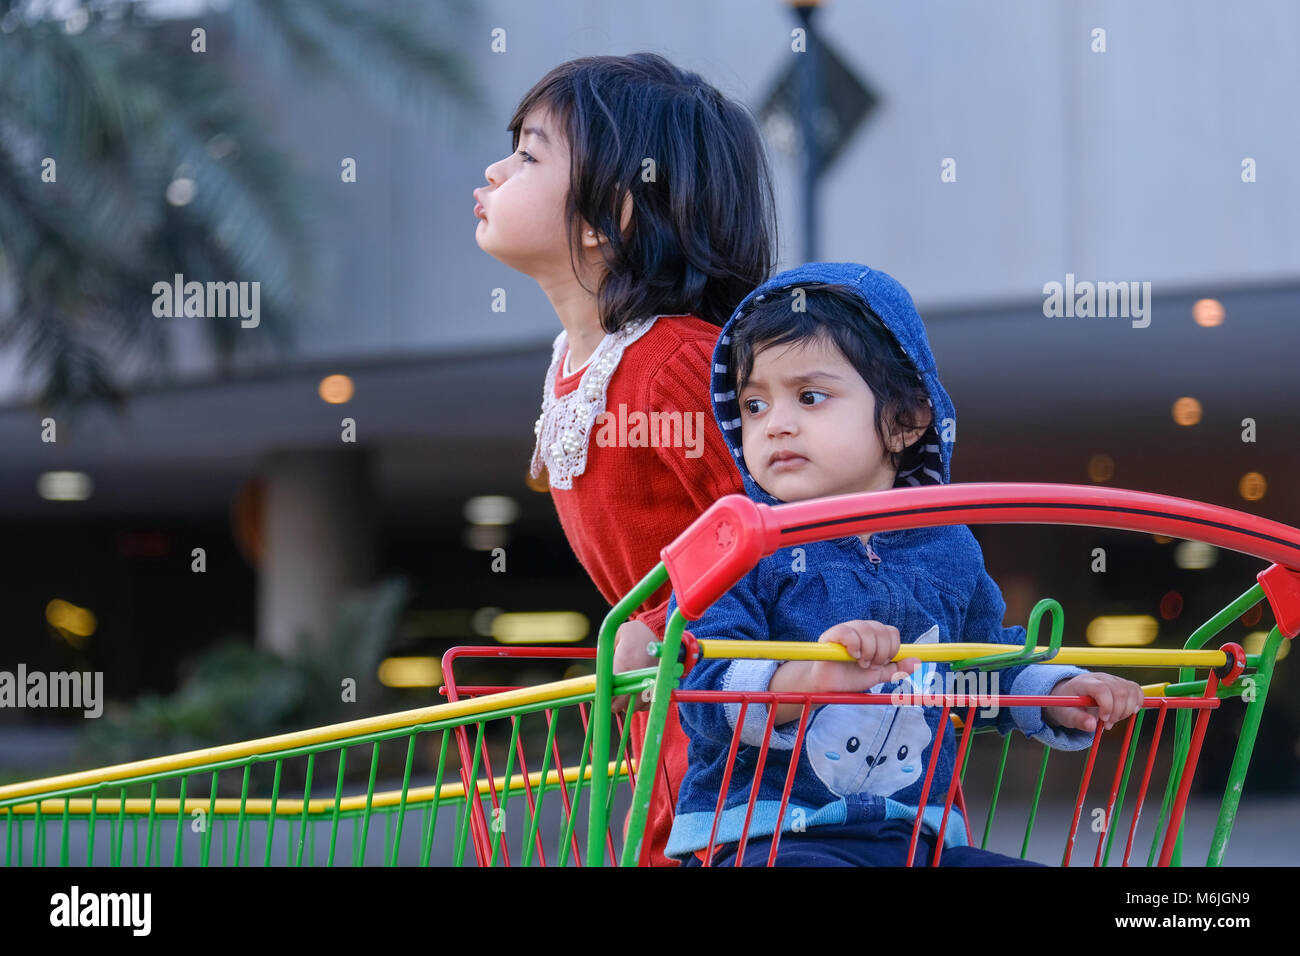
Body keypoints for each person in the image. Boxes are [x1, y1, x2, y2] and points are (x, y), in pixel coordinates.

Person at [663, 263, 1145, 866]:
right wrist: (807, 681)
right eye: (755, 404)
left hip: (915, 836)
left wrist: (1057, 693)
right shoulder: (733, 545)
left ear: (905, 420)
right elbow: (700, 685)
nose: (775, 423)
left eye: (810, 397)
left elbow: (980, 666)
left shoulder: (948, 547)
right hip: (766, 835)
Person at [473, 53, 777, 865]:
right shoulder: (586, 359)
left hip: (741, 721)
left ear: (609, 218)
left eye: (530, 155)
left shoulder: (676, 361)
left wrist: (660, 628)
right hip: (675, 707)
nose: (496, 171)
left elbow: (781, 533)